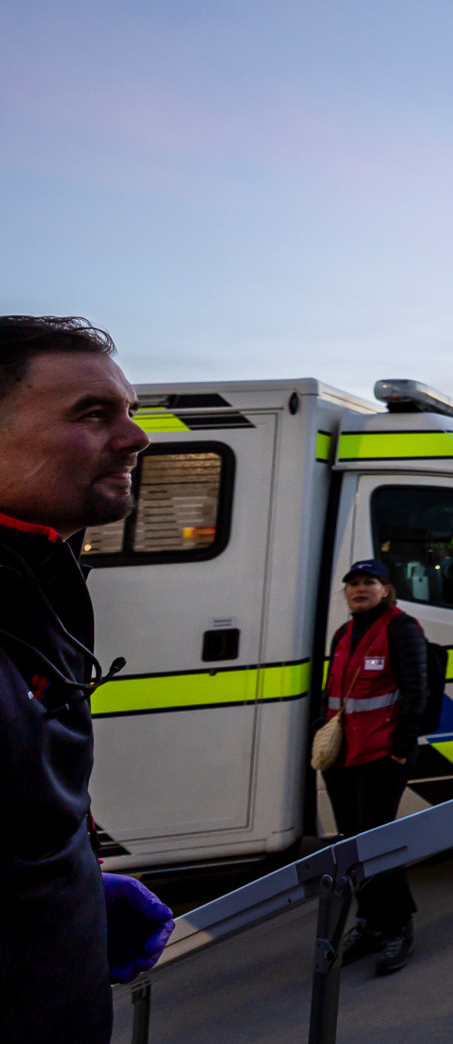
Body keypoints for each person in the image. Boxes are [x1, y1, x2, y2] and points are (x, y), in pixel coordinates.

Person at [0, 316, 174, 1044]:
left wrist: (68, 886)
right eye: (93, 414)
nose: (136, 438)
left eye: (128, 411)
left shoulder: (40, 580)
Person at [321, 558, 430, 975]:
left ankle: (399, 926)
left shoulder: (402, 628)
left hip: (383, 756)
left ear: (387, 589)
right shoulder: (344, 632)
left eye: (369, 582)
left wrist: (401, 750)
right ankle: (370, 924)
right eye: (353, 583)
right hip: (342, 759)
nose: (359, 589)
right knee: (351, 842)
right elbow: (333, 691)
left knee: (377, 840)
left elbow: (416, 692)